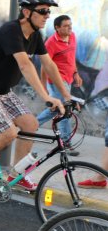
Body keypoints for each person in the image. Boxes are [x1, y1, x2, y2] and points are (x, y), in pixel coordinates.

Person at [0, 0, 69, 193]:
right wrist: (46, 97)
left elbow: (49, 65)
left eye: (48, 11)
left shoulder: (36, 35)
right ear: (27, 12)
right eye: (43, 11)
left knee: (31, 123)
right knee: (8, 132)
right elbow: (25, 65)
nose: (47, 15)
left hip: (2, 91)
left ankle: (17, 175)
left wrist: (66, 95)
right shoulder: (10, 31)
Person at [36, 14, 82, 156]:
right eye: (66, 26)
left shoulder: (72, 36)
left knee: (57, 109)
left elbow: (71, 58)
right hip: (56, 80)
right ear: (57, 28)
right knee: (64, 109)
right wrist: (43, 87)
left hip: (68, 79)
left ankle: (29, 126)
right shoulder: (50, 43)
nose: (70, 28)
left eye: (70, 24)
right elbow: (44, 66)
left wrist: (76, 73)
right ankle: (66, 142)